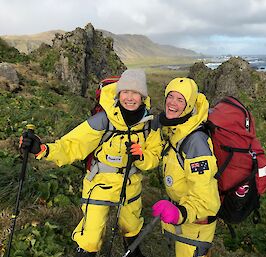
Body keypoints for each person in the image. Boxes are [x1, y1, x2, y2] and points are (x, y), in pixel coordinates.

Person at [20, 69, 162, 257]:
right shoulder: (103, 120)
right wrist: (43, 150)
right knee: (91, 236)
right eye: (125, 92)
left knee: (132, 225)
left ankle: (133, 252)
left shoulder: (149, 125)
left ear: (143, 97)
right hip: (100, 183)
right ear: (119, 94)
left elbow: (155, 156)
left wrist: (142, 157)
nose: (130, 97)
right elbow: (72, 145)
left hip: (130, 184)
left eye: (135, 93)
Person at [151, 77, 220, 257]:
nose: (172, 103)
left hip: (196, 225)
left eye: (180, 99)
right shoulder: (175, 129)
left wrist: (179, 213)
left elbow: (205, 199)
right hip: (185, 220)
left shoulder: (195, 142)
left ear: (189, 105)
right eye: (170, 96)